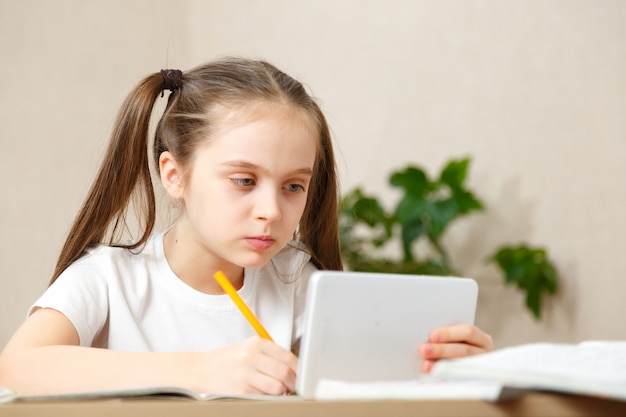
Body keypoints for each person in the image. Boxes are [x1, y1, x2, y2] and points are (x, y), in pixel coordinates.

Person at [0, 57, 493, 396]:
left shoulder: (297, 281)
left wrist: (450, 367)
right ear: (175, 175)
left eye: (293, 186)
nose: (271, 211)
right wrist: (201, 369)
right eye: (244, 180)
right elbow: (17, 366)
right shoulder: (108, 279)